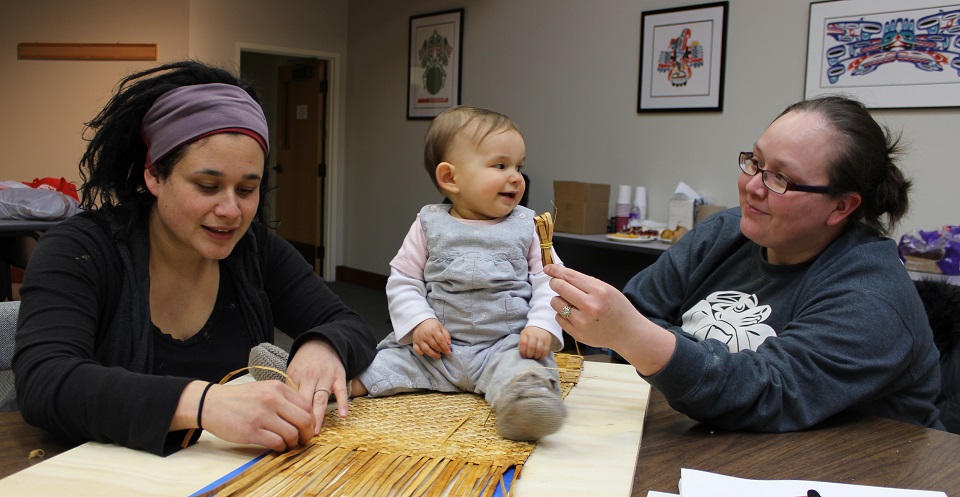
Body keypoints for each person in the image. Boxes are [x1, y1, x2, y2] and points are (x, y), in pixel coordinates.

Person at [12, 60, 378, 456]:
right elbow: (44, 380)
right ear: (154, 175)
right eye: (208, 185)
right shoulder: (80, 249)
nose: (231, 210)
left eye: (246, 189)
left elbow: (350, 324)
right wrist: (204, 404)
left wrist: (323, 345)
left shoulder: (253, 249)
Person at [545, 95, 944, 431]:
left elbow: (766, 393)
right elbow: (642, 311)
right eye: (755, 163)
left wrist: (638, 337)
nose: (752, 187)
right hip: (702, 436)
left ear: (841, 205)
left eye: (781, 179)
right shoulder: (726, 231)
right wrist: (652, 341)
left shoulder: (872, 294)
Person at [351, 105, 567, 441]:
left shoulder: (528, 226)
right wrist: (420, 321)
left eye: (518, 166)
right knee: (381, 365)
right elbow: (404, 279)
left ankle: (526, 409)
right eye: (500, 165)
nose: (516, 177)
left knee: (525, 373)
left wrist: (540, 326)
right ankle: (317, 384)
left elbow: (551, 282)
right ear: (450, 177)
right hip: (435, 352)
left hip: (504, 347)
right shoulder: (429, 224)